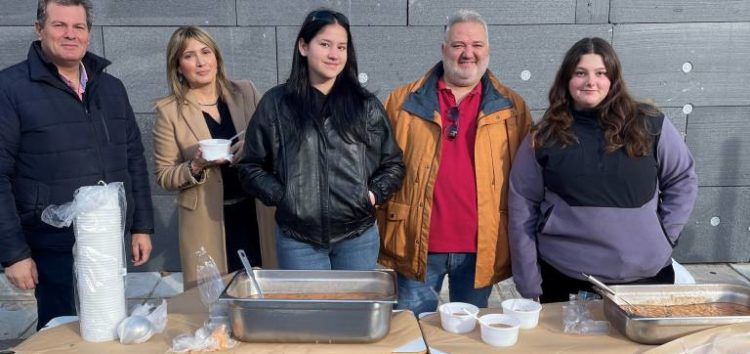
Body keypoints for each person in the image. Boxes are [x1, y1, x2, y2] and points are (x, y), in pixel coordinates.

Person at [508, 37, 698, 303]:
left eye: (601, 73)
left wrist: (664, 235)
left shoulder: (650, 124)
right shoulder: (543, 137)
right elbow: (522, 207)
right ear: (566, 79)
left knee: (640, 347)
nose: (591, 82)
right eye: (580, 73)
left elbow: (682, 179)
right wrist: (527, 280)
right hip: (566, 280)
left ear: (614, 79)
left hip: (645, 278)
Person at [0, 0, 153, 329]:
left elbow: (134, 157)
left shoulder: (111, 88)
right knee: (60, 333)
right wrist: (13, 253)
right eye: (59, 25)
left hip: (108, 239)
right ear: (39, 29)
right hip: (52, 244)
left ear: (88, 33)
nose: (70, 34)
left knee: (106, 325)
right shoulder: (10, 89)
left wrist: (141, 225)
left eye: (78, 27)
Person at [377, 9, 533, 315]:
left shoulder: (513, 107)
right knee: (413, 332)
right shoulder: (401, 102)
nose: (468, 54)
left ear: (488, 50)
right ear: (443, 49)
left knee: (468, 339)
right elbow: (378, 167)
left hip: (480, 249)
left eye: (477, 45)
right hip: (414, 246)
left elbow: (527, 181)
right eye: (459, 45)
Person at [238, 9, 404, 271]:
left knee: (353, 311)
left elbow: (393, 164)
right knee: (309, 311)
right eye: (325, 44)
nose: (334, 54)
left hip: (357, 237)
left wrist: (370, 195)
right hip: (298, 240)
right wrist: (284, 196)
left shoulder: (365, 106)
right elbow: (250, 166)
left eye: (341, 47)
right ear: (304, 47)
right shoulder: (276, 104)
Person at [153, 26, 273, 289]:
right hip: (206, 219)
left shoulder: (247, 92)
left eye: (206, 52)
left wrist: (252, 145)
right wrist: (196, 165)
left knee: (261, 287)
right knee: (214, 298)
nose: (200, 61)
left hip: (255, 210)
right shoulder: (169, 111)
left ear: (216, 57)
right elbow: (164, 175)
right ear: (177, 66)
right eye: (189, 55)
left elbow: (274, 137)